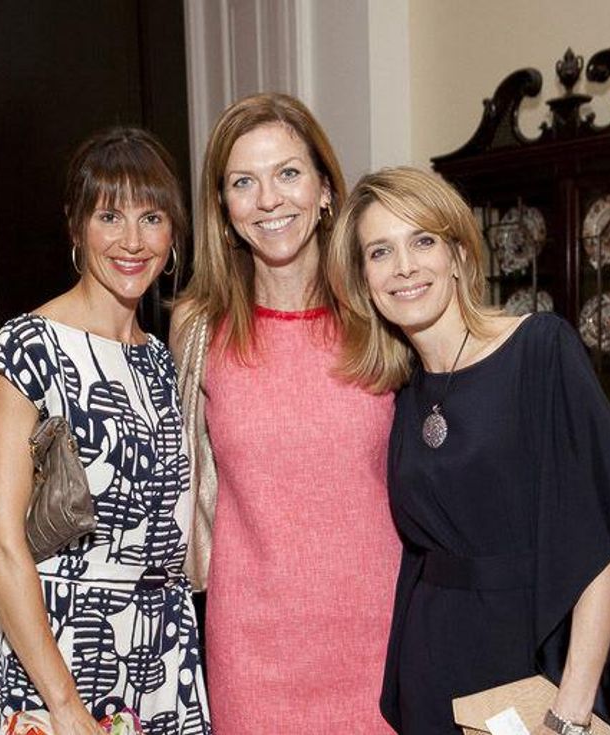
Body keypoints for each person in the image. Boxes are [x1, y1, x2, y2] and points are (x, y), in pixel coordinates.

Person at [326, 167, 610, 735]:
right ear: (363, 281)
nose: (404, 266)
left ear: (457, 253)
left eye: (422, 240)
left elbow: (604, 546)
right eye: (380, 251)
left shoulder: (539, 350)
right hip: (431, 665)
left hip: (536, 658)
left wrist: (570, 716)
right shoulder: (400, 391)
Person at [171, 92, 400, 733]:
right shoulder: (199, 329)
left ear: (326, 189)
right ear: (223, 207)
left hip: (382, 640)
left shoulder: (383, 315)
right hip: (253, 654)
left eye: (288, 174)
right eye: (244, 181)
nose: (269, 200)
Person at [0, 127, 211, 735]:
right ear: (76, 228)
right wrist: (68, 709)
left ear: (173, 232)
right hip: (61, 659)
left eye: (152, 217)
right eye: (110, 216)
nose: (133, 242)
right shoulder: (31, 346)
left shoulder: (162, 360)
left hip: (164, 656)